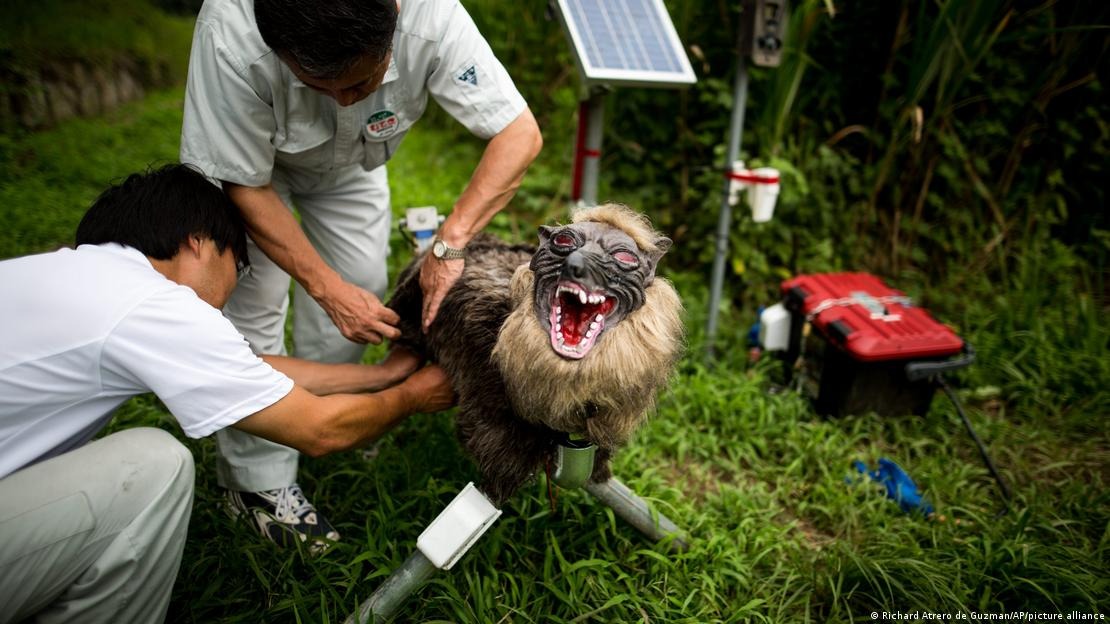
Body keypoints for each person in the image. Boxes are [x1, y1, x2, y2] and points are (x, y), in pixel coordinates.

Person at [0, 164, 455, 623]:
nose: (232, 289)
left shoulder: (71, 277)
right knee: (154, 465)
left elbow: (252, 371)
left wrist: (382, 377)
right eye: (237, 265)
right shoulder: (153, 305)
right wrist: (414, 396)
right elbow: (321, 430)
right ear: (199, 241)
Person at [179, 0, 542, 545]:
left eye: (360, 84)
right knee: (254, 307)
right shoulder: (230, 34)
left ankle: (328, 422)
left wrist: (449, 245)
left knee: (363, 288)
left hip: (352, 168)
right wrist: (323, 287)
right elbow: (243, 184)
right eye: (319, 88)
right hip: (252, 175)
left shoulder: (433, 17)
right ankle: (256, 482)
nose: (343, 103)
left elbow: (518, 133)